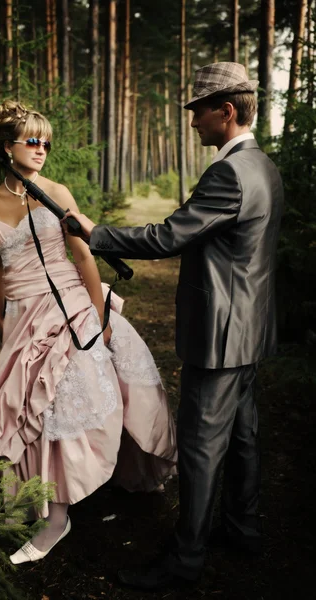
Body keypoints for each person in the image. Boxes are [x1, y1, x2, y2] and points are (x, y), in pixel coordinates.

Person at [64, 62, 284, 590]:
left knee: (203, 443)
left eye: (199, 112)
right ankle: (242, 529)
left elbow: (169, 237)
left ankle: (185, 560)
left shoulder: (229, 172)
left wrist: (98, 234)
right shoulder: (265, 167)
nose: (193, 123)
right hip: (251, 327)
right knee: (244, 435)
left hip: (221, 333)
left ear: (225, 111)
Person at [0, 100, 177, 565]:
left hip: (68, 304)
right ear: (8, 147)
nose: (42, 149)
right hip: (21, 312)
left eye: (46, 142)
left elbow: (83, 256)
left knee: (64, 396)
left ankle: (57, 517)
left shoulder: (57, 191)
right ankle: (41, 500)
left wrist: (99, 316)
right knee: (27, 408)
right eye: (32, 141)